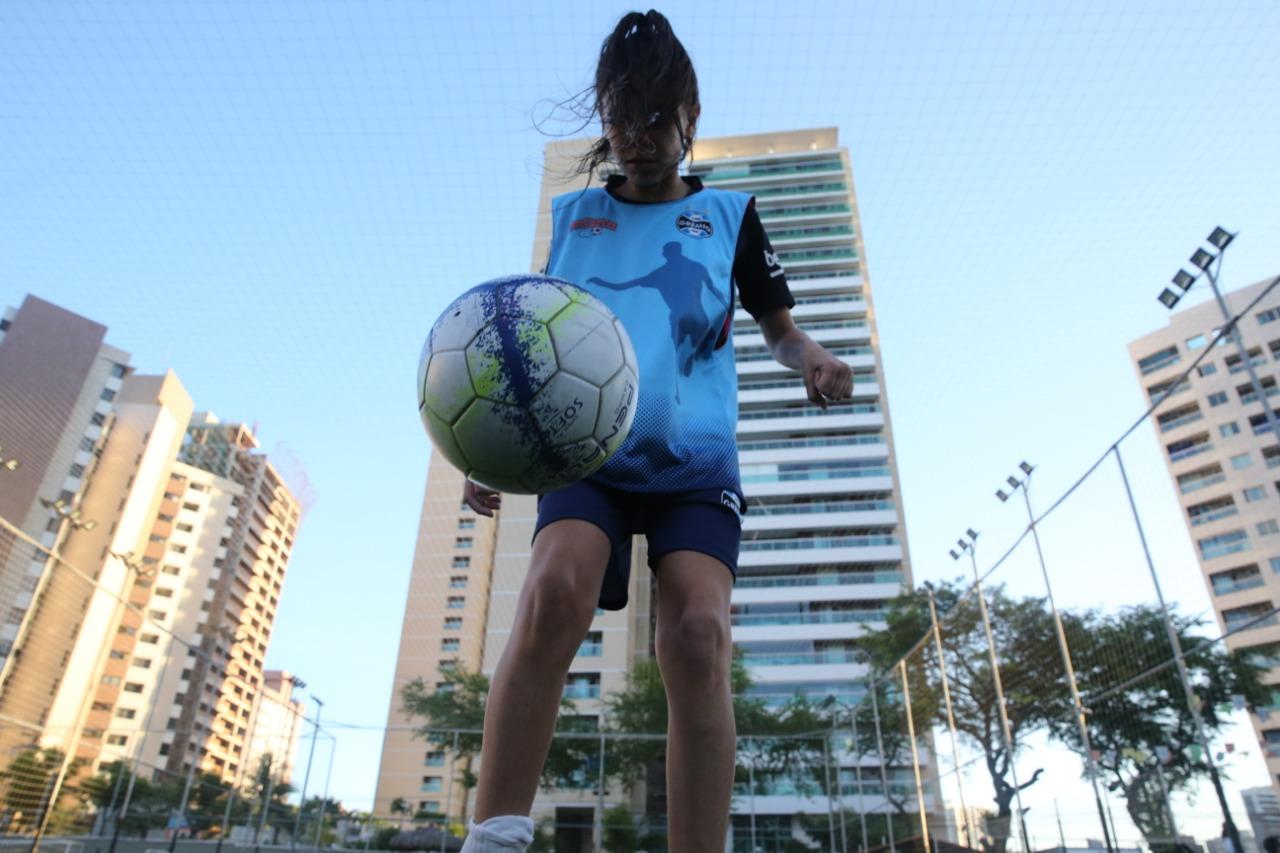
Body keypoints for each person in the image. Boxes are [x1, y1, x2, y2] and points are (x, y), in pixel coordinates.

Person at [458, 10, 854, 853]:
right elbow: (527, 348)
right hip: (586, 451)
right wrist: (486, 441)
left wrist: (811, 354)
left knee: (699, 635)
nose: (636, 139)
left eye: (654, 120)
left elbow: (780, 331)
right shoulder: (573, 220)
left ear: (690, 119)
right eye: (619, 118)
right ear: (603, 118)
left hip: (694, 458)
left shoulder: (730, 217)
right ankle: (493, 838)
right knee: (553, 590)